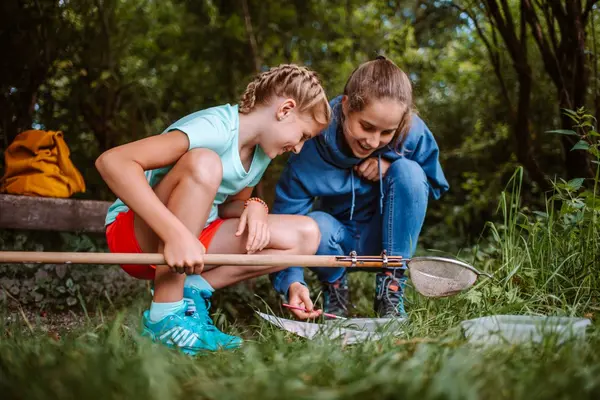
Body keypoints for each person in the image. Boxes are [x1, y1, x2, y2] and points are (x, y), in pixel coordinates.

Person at [97, 64, 331, 355]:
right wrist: (175, 234)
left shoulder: (260, 152)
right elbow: (113, 162)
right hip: (137, 236)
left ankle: (192, 291)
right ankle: (165, 317)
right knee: (205, 162)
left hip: (193, 244)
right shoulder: (216, 127)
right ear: (285, 110)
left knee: (307, 234)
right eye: (303, 135)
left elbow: (225, 207)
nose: (298, 148)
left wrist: (255, 205)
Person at [269, 56, 449, 320]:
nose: (373, 142)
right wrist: (292, 282)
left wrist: (391, 164)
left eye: (386, 132)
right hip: (336, 243)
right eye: (366, 126)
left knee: (410, 171)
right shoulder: (309, 144)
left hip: (387, 237)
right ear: (345, 107)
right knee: (314, 222)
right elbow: (285, 222)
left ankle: (391, 287)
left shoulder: (411, 133)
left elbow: (431, 185)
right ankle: (335, 286)